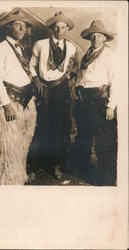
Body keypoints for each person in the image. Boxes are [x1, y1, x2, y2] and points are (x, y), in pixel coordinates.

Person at [0, 9, 37, 185]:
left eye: (24, 26)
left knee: (24, 143)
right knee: (8, 147)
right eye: (18, 24)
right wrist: (6, 105)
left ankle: (21, 175)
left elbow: (26, 71)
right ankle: (8, 182)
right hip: (10, 103)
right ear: (8, 27)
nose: (22, 28)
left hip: (27, 102)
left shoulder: (22, 50)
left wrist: (35, 80)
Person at [29, 11, 78, 179]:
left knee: (60, 127)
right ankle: (34, 165)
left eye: (63, 27)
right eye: (56, 27)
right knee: (41, 125)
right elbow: (31, 65)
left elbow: (73, 66)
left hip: (61, 89)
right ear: (52, 28)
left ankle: (56, 166)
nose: (59, 30)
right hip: (43, 86)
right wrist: (35, 79)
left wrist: (66, 77)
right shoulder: (40, 44)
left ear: (67, 29)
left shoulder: (71, 47)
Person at [73, 20, 117, 185]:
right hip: (85, 101)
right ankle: (83, 171)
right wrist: (78, 88)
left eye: (99, 36)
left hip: (100, 101)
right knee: (84, 136)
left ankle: (106, 178)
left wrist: (111, 106)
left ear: (104, 38)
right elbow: (80, 77)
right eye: (93, 36)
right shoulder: (87, 54)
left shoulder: (110, 55)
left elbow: (116, 82)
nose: (95, 39)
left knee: (103, 141)